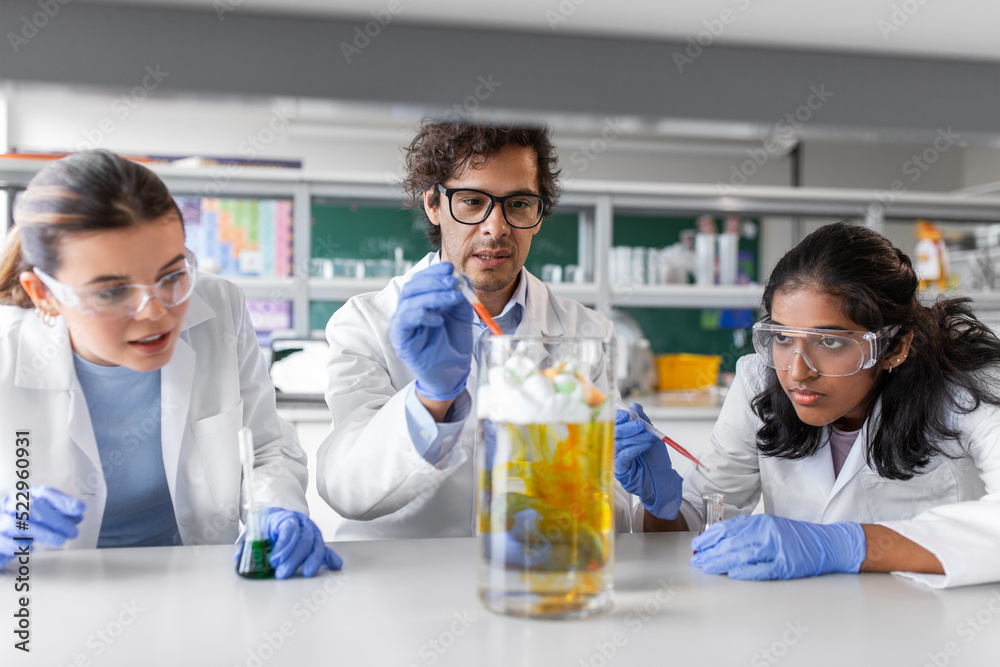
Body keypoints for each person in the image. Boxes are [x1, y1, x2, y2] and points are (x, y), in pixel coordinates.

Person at [0, 150, 341, 579]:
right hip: (49, 589)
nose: (155, 312)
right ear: (43, 294)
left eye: (172, 276)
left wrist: (276, 508)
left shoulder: (219, 307)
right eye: (111, 291)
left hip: (190, 579)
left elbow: (261, 448)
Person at [616, 221, 1000, 588]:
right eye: (783, 338)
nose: (797, 372)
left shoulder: (969, 385)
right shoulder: (759, 383)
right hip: (801, 618)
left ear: (894, 347)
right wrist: (662, 506)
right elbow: (697, 524)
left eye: (830, 342)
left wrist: (847, 546)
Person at [317, 120, 627, 540]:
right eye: (472, 201)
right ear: (433, 204)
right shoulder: (365, 322)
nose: (496, 228)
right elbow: (345, 489)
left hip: (529, 568)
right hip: (399, 576)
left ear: (538, 215)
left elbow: (611, 507)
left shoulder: (587, 333)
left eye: (518, 203)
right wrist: (431, 398)